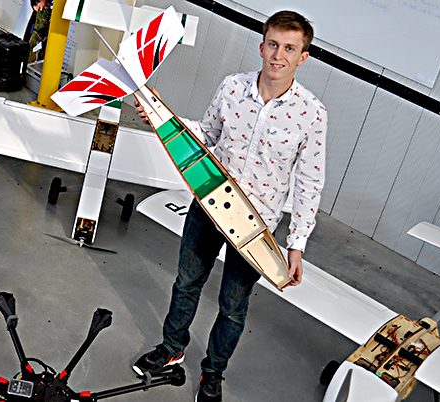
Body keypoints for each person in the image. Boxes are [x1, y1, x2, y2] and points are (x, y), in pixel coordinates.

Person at [132, 10, 327, 402]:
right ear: (262, 46)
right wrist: (161, 119)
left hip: (256, 227)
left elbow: (309, 183)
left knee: (233, 307)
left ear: (302, 57)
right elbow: (206, 134)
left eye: (290, 48)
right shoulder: (232, 87)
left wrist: (297, 244)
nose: (279, 55)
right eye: (273, 44)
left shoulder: (312, 114)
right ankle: (171, 350)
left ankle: (213, 373)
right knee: (186, 282)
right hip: (208, 205)